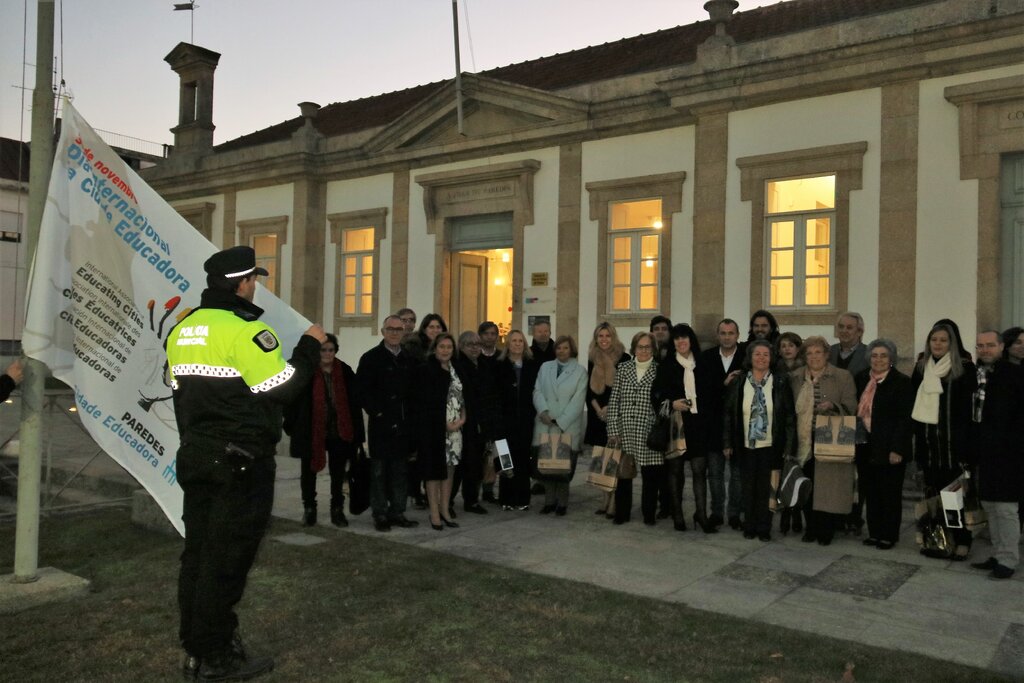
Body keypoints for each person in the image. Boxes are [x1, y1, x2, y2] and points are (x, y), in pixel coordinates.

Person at [166, 245, 325, 681]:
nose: (256, 286)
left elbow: (180, 394)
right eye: (255, 279)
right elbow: (283, 387)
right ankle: (217, 655)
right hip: (240, 462)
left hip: (196, 454)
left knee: (198, 555)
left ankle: (196, 647)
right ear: (243, 283)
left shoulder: (183, 330)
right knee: (227, 560)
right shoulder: (245, 332)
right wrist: (310, 347)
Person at [911, 322, 977, 561]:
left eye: (943, 340)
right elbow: (913, 410)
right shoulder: (921, 368)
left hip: (954, 447)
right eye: (934, 340)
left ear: (953, 343)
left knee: (954, 497)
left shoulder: (966, 369)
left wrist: (969, 449)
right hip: (929, 445)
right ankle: (937, 539)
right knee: (931, 495)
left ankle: (962, 541)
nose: (937, 344)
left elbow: (971, 413)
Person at [284, 333, 364, 528]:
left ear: (335, 351)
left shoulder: (344, 371)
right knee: (309, 471)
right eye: (323, 350)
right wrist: (292, 425)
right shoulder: (307, 372)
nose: (327, 354)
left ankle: (337, 509)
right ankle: (309, 508)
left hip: (339, 430)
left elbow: (354, 402)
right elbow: (292, 400)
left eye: (330, 350)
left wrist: (357, 433)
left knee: (338, 474)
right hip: (312, 430)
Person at [722, 340, 796, 541]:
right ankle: (750, 524)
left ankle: (764, 526)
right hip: (745, 444)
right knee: (747, 487)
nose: (761, 358)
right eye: (757, 354)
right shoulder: (739, 381)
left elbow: (789, 416)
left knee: (766, 487)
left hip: (771, 445)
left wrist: (789, 446)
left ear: (771, 359)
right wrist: (727, 443)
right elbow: (728, 414)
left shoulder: (780, 382)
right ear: (750, 357)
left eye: (766, 354)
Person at [789, 335, 857, 546]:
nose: (814, 356)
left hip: (829, 440)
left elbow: (852, 406)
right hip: (803, 441)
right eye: (809, 353)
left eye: (818, 352)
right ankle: (810, 527)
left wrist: (833, 406)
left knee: (827, 488)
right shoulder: (795, 377)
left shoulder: (842, 376)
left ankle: (825, 529)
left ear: (827, 355)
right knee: (806, 485)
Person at [357, 315, 420, 533]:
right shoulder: (371, 358)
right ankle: (380, 512)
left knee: (400, 470)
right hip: (381, 425)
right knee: (379, 471)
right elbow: (363, 392)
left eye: (398, 329)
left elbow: (414, 393)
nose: (394, 333)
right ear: (383, 331)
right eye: (390, 329)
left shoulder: (409, 359)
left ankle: (398, 511)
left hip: (403, 425)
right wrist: (379, 413)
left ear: (404, 332)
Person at [651, 324, 715, 533]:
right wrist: (672, 404)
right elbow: (656, 395)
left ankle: (701, 515)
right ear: (673, 343)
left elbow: (711, 393)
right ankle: (677, 515)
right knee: (675, 471)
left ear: (691, 340)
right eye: (676, 339)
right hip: (676, 424)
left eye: (684, 337)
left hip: (699, 425)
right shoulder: (667, 365)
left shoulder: (703, 363)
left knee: (699, 470)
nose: (681, 342)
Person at [970, 331, 1024, 579]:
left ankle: (1009, 560)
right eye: (980, 346)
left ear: (1002, 346)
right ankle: (998, 553)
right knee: (990, 505)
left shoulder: (1013, 374)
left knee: (1005, 508)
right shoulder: (977, 373)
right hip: (985, 451)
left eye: (990, 345)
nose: (985, 350)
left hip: (1008, 453)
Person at [854, 339, 913, 550]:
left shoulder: (901, 382)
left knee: (890, 493)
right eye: (874, 355)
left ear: (891, 359)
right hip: (866, 444)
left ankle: (889, 534)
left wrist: (898, 449)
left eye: (883, 356)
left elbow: (904, 420)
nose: (878, 359)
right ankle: (875, 532)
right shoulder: (862, 379)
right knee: (871, 491)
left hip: (890, 447)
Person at [607, 332, 663, 525]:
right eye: (640, 347)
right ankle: (622, 513)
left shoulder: (659, 370)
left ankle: (649, 514)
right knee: (624, 475)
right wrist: (613, 429)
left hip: (649, 432)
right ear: (634, 349)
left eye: (648, 347)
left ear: (653, 349)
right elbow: (614, 401)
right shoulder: (623, 368)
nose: (644, 350)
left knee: (650, 477)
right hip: (626, 430)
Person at [414, 332, 465, 530]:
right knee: (433, 472)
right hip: (433, 429)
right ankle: (434, 512)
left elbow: (463, 396)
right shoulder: (426, 370)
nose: (445, 350)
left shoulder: (456, 369)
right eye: (442, 346)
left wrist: (463, 418)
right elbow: (424, 403)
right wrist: (443, 424)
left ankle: (445, 509)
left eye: (449, 347)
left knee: (449, 470)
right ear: (435, 348)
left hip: (455, 429)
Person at [533, 335, 587, 515]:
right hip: (545, 422)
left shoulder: (580, 371)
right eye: (558, 348)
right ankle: (549, 501)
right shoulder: (545, 367)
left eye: (565, 348)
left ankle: (562, 503)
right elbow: (537, 390)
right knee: (548, 465)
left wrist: (561, 421)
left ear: (571, 350)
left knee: (563, 468)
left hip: (566, 425)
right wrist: (543, 411)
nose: (561, 351)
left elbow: (578, 401)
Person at [700, 318, 745, 531]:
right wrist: (723, 384)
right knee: (715, 473)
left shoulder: (746, 358)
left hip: (739, 426)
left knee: (737, 473)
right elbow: (703, 391)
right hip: (713, 424)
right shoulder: (706, 358)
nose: (727, 337)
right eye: (723, 333)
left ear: (738, 335)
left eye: (731, 333)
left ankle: (734, 513)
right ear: (717, 336)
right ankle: (717, 511)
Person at [585, 322, 629, 519]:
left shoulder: (625, 358)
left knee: (615, 461)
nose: (604, 340)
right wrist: (597, 409)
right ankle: (604, 498)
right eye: (600, 336)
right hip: (597, 417)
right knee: (602, 461)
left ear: (613, 337)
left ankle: (614, 502)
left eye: (607, 336)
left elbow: (625, 390)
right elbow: (589, 390)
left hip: (617, 416)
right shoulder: (592, 358)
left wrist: (610, 409)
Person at [495, 330, 539, 511]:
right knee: (506, 459)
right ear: (508, 344)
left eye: (521, 341)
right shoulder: (499, 366)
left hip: (525, 421)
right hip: (505, 421)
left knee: (522, 459)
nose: (517, 344)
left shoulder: (531, 365)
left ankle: (522, 498)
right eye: (514, 341)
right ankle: (506, 498)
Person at [451, 331, 493, 515]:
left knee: (476, 464)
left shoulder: (484, 365)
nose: (475, 347)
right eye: (470, 344)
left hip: (482, 422)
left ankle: (472, 500)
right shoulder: (458, 366)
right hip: (464, 422)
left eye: (477, 343)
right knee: (460, 466)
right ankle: (449, 500)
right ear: (461, 346)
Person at [829, 312, 869, 378]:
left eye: (849, 328)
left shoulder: (869, 354)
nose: (844, 331)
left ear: (859, 332)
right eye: (841, 327)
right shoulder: (829, 352)